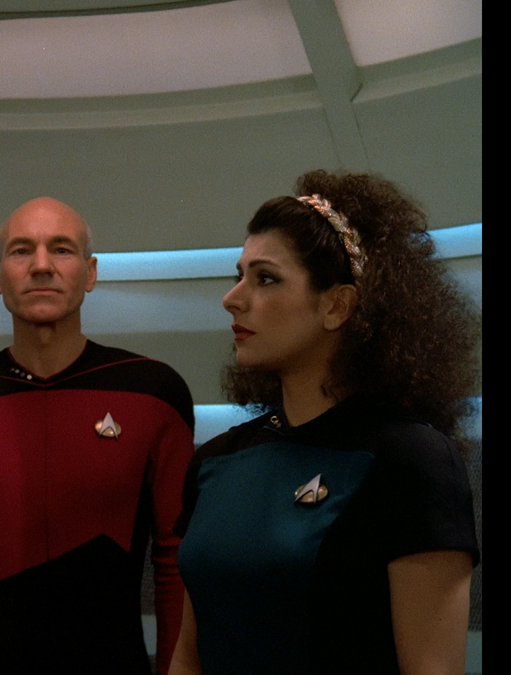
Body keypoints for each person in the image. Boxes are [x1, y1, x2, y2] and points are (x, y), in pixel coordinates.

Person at [170, 171, 480, 675]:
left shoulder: (412, 462)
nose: (232, 298)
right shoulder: (215, 461)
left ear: (337, 305)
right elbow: (188, 656)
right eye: (238, 275)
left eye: (265, 279)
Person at [0, 197, 195, 674]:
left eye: (61, 249)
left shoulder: (153, 393)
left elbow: (176, 559)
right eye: (21, 251)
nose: (41, 266)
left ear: (90, 273)